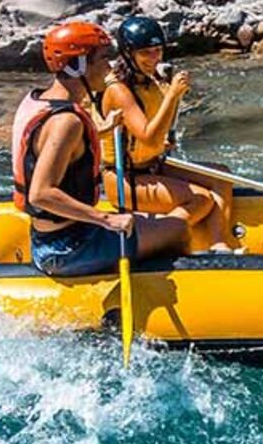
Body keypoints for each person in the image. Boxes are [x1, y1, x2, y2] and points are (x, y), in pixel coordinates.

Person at [12, 20, 189, 277]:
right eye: (103, 60)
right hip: (69, 248)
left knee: (156, 224)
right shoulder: (67, 122)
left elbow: (47, 146)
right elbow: (40, 194)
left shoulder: (37, 100)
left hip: (53, 237)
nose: (109, 68)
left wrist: (99, 131)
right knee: (179, 229)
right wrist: (106, 219)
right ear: (78, 66)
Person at [99, 16, 239, 251]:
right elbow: (148, 136)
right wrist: (173, 96)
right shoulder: (118, 90)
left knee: (222, 176)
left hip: (152, 165)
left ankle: (219, 244)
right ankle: (157, 238)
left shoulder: (151, 79)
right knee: (201, 199)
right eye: (146, 53)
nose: (155, 58)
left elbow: (156, 135)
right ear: (128, 54)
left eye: (158, 50)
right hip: (125, 180)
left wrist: (165, 137)